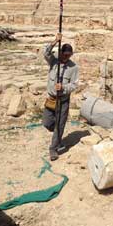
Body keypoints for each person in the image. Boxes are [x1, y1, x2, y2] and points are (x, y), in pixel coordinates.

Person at [42, 33, 78, 161]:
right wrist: (54, 41)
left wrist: (63, 88)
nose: (66, 57)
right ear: (61, 53)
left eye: (69, 55)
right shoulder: (54, 61)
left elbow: (74, 85)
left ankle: (53, 148)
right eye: (64, 54)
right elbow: (45, 52)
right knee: (47, 123)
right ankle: (57, 136)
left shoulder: (74, 67)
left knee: (59, 125)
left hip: (63, 100)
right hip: (51, 99)